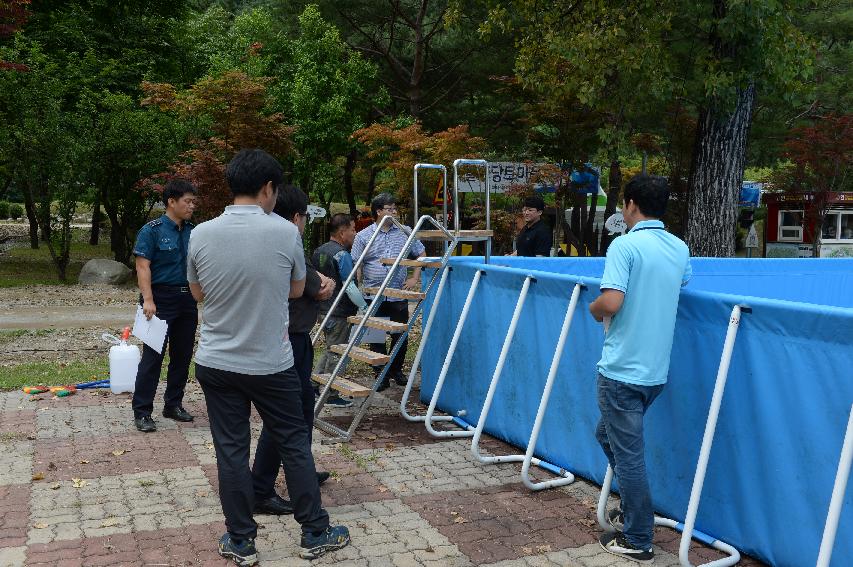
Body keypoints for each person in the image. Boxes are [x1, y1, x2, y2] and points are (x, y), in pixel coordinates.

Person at [187, 149, 349, 565]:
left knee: (230, 450)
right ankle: (315, 533)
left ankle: (241, 541)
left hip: (216, 362)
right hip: (270, 363)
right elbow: (298, 289)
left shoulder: (201, 232)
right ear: (267, 188)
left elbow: (199, 293)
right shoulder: (285, 233)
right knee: (294, 443)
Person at [588, 174, 691, 563]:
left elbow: (611, 301)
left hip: (621, 371)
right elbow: (682, 281)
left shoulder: (625, 245)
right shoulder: (678, 247)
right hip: (654, 373)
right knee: (606, 435)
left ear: (630, 203)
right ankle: (637, 509)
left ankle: (638, 538)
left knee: (627, 455)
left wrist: (592, 308)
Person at [250, 186, 342, 519]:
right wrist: (321, 285)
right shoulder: (287, 242)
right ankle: (260, 489)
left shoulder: (264, 239)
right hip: (288, 341)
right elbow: (318, 288)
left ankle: (299, 470)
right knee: (286, 416)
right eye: (304, 216)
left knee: (301, 411)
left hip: (289, 338)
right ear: (296, 217)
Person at [131, 179, 198, 433]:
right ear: (172, 201)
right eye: (187, 201)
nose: (192, 206)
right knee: (152, 357)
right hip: (159, 300)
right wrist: (148, 299)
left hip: (187, 299)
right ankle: (143, 411)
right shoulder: (153, 230)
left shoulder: (194, 230)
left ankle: (173, 404)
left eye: (194, 202)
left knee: (182, 355)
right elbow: (142, 266)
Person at [350, 193, 425, 391]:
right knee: (375, 334)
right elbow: (356, 263)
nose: (394, 212)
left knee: (400, 333)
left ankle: (396, 369)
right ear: (378, 211)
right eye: (389, 209)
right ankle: (379, 373)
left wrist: (415, 277)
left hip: (397, 292)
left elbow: (421, 254)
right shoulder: (363, 235)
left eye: (395, 209)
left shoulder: (405, 231)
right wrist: (358, 290)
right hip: (372, 293)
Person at [313, 213, 367, 391]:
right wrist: (363, 306)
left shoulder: (319, 251)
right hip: (339, 312)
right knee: (338, 352)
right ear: (342, 232)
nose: (355, 233)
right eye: (353, 230)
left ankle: (315, 383)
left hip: (322, 310)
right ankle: (330, 392)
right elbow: (349, 287)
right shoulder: (342, 255)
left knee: (330, 349)